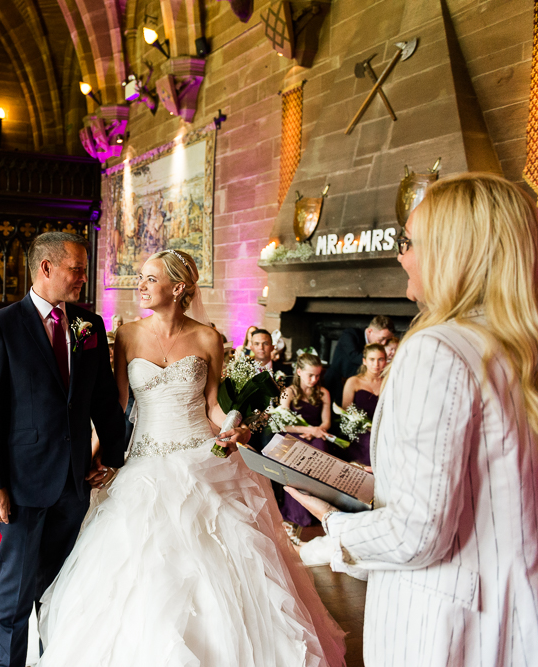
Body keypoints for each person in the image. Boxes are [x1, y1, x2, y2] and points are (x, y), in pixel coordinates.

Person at [35, 248, 345, 667]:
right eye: (141, 278)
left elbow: (213, 404)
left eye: (149, 279)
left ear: (177, 288)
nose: (140, 286)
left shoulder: (207, 337)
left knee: (224, 565)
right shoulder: (127, 334)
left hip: (204, 459)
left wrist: (234, 425)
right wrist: (95, 457)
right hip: (145, 462)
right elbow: (118, 405)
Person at [287, 173, 538, 667]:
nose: (401, 255)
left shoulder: (437, 348)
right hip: (515, 606)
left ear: (453, 252)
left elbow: (417, 534)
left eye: (410, 242)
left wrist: (332, 522)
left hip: (447, 621)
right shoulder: (517, 344)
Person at [0, 232, 129, 667]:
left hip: (74, 481)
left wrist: (113, 457)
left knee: (59, 587)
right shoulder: (1, 326)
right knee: (17, 592)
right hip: (22, 483)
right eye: (76, 269)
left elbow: (101, 401)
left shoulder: (88, 326)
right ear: (46, 268)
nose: (83, 278)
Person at [275, 352, 336, 527]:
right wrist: (307, 430)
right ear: (299, 371)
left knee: (321, 449)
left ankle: (321, 510)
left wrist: (317, 431)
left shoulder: (323, 393)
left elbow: (326, 422)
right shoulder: (289, 392)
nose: (314, 380)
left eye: (317, 375)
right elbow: (282, 424)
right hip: (293, 435)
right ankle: (298, 512)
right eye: (310, 375)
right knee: (297, 456)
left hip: (317, 434)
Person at [324, 315, 394, 403]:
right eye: (382, 338)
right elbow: (353, 356)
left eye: (387, 340)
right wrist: (383, 362)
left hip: (361, 388)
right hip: (336, 383)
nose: (384, 343)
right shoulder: (350, 334)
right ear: (370, 331)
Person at [340, 343, 386, 466]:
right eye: (372, 359)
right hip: (359, 431)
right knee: (370, 443)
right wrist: (364, 425)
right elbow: (345, 411)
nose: (376, 364)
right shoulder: (354, 382)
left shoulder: (389, 382)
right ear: (364, 361)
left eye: (380, 359)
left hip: (383, 429)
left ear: (385, 361)